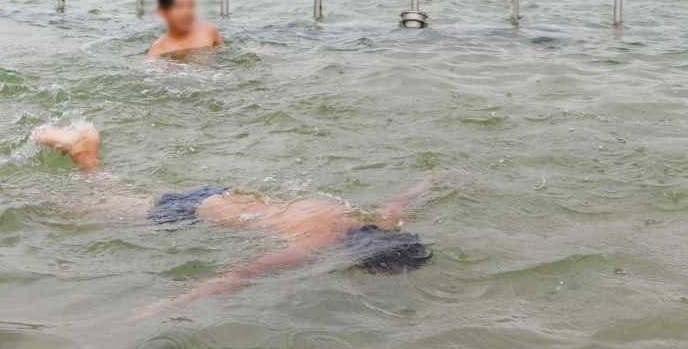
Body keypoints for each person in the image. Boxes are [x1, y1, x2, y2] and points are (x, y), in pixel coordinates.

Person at [32, 124, 436, 317]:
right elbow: (239, 276)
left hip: (225, 196)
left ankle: (79, 159)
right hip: (193, 212)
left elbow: (402, 203)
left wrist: (433, 182)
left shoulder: (368, 219)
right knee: (99, 207)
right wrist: (167, 305)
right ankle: (80, 156)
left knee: (114, 203)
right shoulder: (309, 246)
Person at [147, 0, 223, 60]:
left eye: (190, 5)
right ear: (163, 12)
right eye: (179, 6)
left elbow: (223, 55)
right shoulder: (158, 51)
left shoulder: (208, 30)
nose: (187, 12)